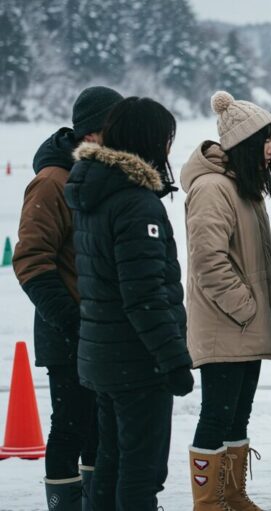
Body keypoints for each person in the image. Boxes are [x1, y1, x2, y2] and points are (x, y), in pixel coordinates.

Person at [63, 97, 194, 510]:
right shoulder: (135, 202)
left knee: (112, 461)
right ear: (149, 141)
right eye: (166, 139)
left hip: (106, 355)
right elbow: (145, 295)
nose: (169, 149)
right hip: (138, 361)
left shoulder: (97, 189)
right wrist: (173, 359)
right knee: (142, 470)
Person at [13, 85, 122, 510]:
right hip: (68, 330)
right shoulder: (52, 181)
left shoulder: (101, 175)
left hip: (102, 329)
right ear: (94, 133)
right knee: (70, 428)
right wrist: (73, 322)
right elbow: (31, 262)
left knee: (100, 429)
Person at [181, 91, 271, 510]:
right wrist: (246, 306)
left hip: (245, 324)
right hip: (227, 323)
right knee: (216, 415)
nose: (270, 150)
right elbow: (208, 260)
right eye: (264, 141)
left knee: (238, 415)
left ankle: (233, 495)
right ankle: (208, 503)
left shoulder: (243, 187)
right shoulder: (211, 188)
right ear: (244, 143)